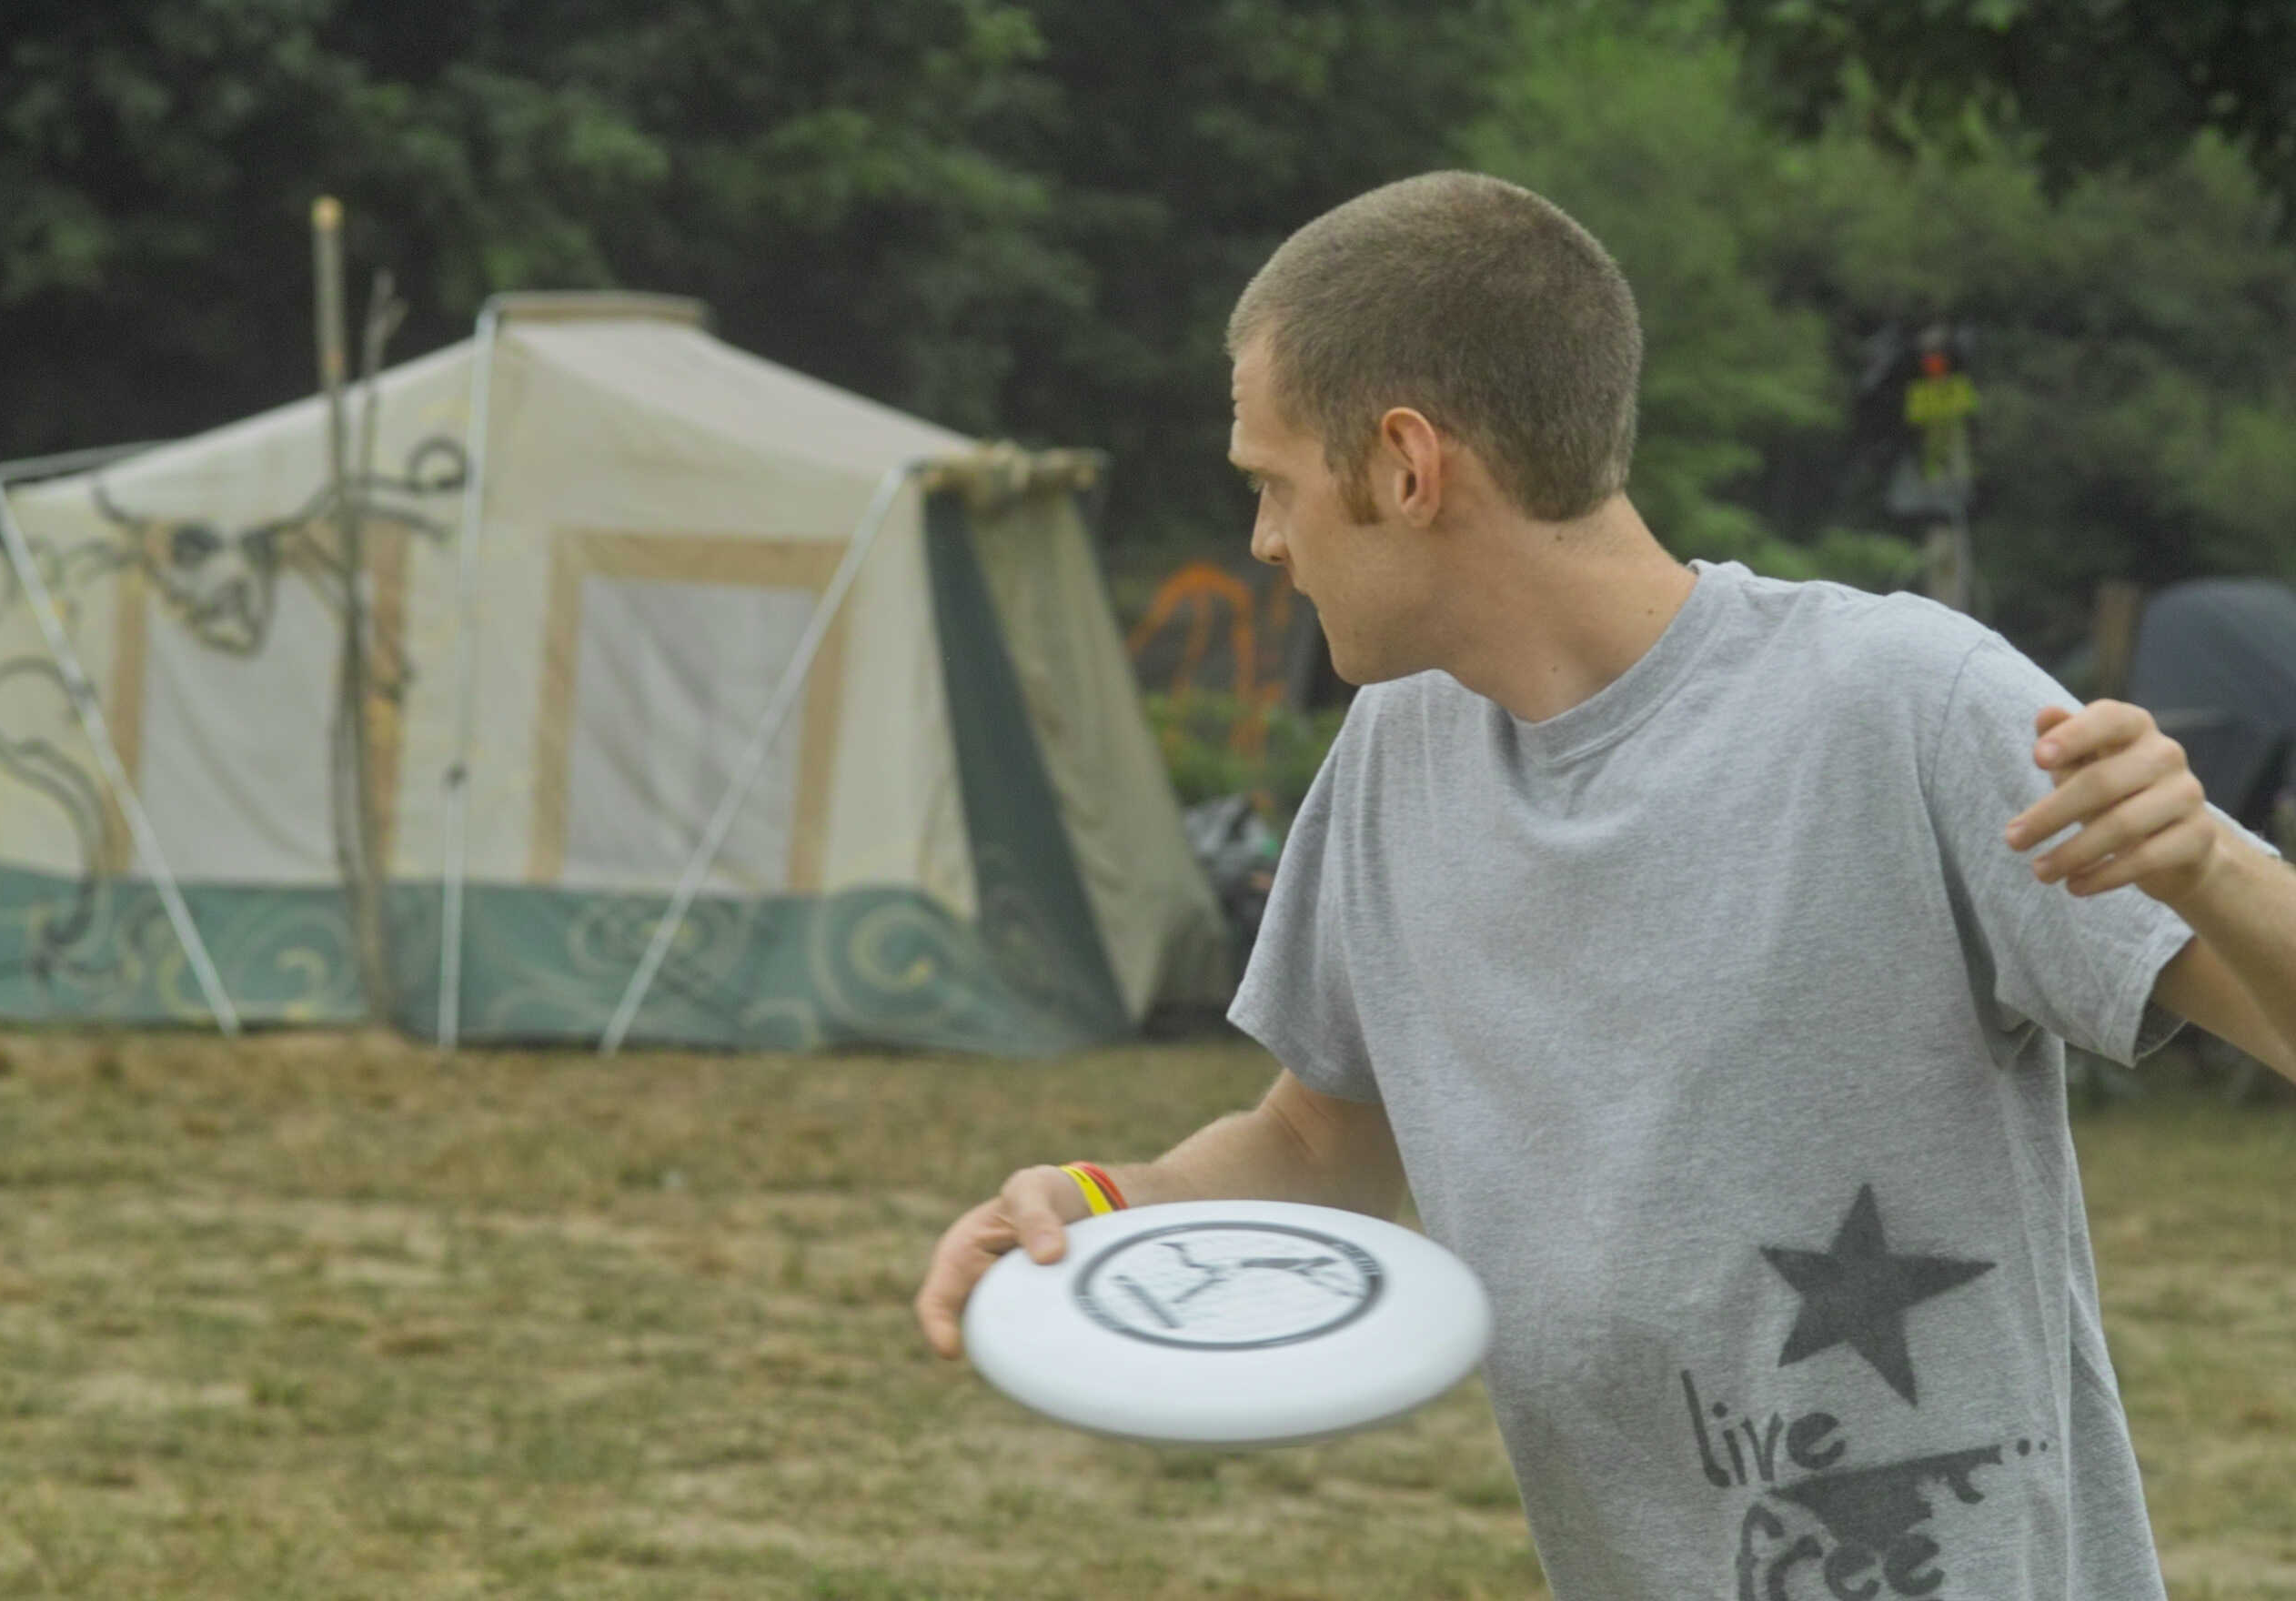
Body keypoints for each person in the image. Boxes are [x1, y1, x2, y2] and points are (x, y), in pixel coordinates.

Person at [913, 172, 2296, 1598]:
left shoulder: (1901, 702)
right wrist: (1108, 1206)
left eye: (1273, 483)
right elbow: (1323, 1139)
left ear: (1406, 466)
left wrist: (2210, 866)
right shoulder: (1398, 748)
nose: (1265, 539)